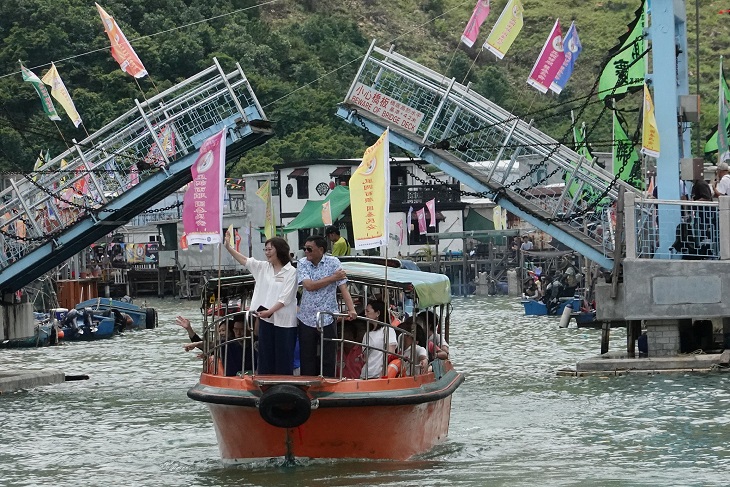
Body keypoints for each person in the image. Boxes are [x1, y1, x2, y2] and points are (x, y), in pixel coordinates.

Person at [225, 233, 298, 375]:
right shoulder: (263, 268)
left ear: (279, 250)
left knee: (283, 354)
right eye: (265, 250)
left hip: (284, 320)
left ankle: (283, 384)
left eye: (270, 249)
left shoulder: (291, 271)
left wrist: (270, 311)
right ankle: (265, 382)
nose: (267, 253)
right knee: (265, 354)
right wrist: (228, 247)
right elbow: (245, 260)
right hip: (265, 317)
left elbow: (286, 298)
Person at [297, 235, 357, 377]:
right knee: (307, 356)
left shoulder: (333, 262)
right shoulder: (302, 263)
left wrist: (352, 309)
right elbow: (309, 285)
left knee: (329, 355)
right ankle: (308, 385)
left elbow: (343, 287)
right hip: (306, 316)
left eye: (309, 249)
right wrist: (332, 278)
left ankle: (328, 384)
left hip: (328, 316)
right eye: (304, 248)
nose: (306, 251)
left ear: (321, 249)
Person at [360, 300, 397, 379]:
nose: (365, 314)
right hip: (365, 374)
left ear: (378, 313)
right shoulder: (367, 334)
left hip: (379, 375)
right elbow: (365, 358)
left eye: (368, 311)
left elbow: (390, 354)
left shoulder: (388, 330)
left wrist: (384, 373)